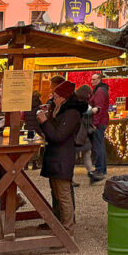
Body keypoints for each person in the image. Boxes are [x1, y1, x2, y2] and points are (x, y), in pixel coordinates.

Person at [37, 81, 85, 233]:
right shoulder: (59, 108)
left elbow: (58, 135)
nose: (53, 99)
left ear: (64, 97)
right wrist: (47, 117)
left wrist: (45, 121)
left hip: (63, 156)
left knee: (63, 194)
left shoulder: (71, 112)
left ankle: (67, 229)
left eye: (56, 96)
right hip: (55, 156)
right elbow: (54, 131)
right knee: (56, 192)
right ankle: (57, 223)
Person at [87, 73, 109, 182]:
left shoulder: (99, 91)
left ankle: (100, 169)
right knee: (100, 145)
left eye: (94, 79)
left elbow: (98, 109)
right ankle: (102, 168)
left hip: (99, 122)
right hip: (102, 121)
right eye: (91, 79)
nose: (92, 81)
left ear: (100, 80)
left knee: (98, 145)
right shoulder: (100, 90)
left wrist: (95, 123)